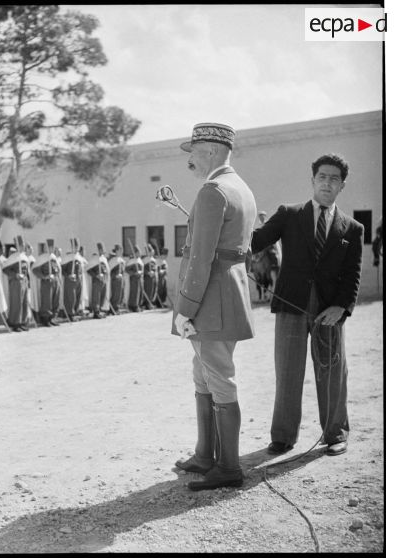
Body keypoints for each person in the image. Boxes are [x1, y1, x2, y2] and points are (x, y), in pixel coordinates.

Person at [252, 153, 363, 457]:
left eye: (334, 178)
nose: (327, 182)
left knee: (332, 371)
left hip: (329, 310)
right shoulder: (289, 214)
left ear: (342, 185)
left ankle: (335, 433)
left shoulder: (352, 229)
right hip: (291, 304)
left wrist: (342, 307)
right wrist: (221, 236)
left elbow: (352, 273)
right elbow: (256, 240)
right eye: (322, 177)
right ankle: (283, 436)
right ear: (313, 180)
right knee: (287, 371)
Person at [172, 122, 256, 491]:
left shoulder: (213, 191)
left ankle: (228, 467)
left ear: (211, 151)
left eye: (193, 151)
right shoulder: (241, 188)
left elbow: (201, 258)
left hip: (210, 298)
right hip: (227, 293)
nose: (190, 158)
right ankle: (206, 455)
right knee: (203, 371)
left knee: (219, 376)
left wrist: (185, 307)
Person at [2, 237, 31, 332]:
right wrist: (15, 275)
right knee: (17, 303)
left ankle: (22, 322)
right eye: (21, 245)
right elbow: (5, 269)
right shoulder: (13, 257)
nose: (22, 247)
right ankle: (15, 323)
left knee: (24, 302)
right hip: (16, 282)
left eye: (23, 245)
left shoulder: (24, 256)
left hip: (24, 281)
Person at [32, 240, 61, 326]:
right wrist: (44, 276)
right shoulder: (42, 258)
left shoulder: (53, 257)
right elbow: (35, 270)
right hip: (46, 282)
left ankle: (52, 318)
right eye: (49, 247)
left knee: (55, 300)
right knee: (47, 301)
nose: (51, 249)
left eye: (52, 247)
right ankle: (45, 319)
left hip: (55, 281)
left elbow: (57, 269)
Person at [61, 238, 84, 321]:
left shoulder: (79, 257)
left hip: (79, 280)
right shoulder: (68, 257)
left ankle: (75, 312)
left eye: (77, 246)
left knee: (77, 297)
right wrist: (68, 275)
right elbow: (62, 270)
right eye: (74, 246)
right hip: (70, 280)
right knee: (71, 298)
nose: (76, 248)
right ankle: (70, 313)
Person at [86, 242, 110, 319]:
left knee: (102, 296)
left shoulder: (104, 259)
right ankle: (96, 312)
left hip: (104, 280)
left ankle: (99, 310)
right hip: (97, 281)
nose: (103, 251)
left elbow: (106, 269)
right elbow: (89, 269)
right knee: (96, 296)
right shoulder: (94, 259)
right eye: (102, 250)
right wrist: (96, 275)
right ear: (99, 250)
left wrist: (105, 274)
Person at [125, 245, 144, 312]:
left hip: (140, 279)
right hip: (134, 279)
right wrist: (134, 273)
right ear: (135, 253)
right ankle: (133, 306)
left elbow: (142, 269)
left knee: (140, 292)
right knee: (134, 292)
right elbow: (127, 270)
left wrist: (140, 272)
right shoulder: (132, 261)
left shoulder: (139, 260)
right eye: (138, 252)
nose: (140, 253)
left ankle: (138, 305)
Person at [108, 244, 126, 313]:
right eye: (120, 250)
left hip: (121, 279)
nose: (121, 252)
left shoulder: (121, 260)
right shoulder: (113, 260)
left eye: (122, 250)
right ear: (116, 251)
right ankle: (113, 308)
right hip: (115, 280)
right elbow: (109, 271)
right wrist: (115, 276)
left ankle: (117, 307)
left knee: (120, 294)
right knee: (115, 294)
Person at [142, 243, 158, 310]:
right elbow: (143, 269)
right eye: (151, 251)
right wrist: (148, 272)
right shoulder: (145, 259)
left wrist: (153, 272)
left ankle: (151, 303)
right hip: (147, 278)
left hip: (153, 277)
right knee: (148, 290)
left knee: (152, 290)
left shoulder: (153, 260)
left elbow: (155, 268)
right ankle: (147, 304)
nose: (152, 252)